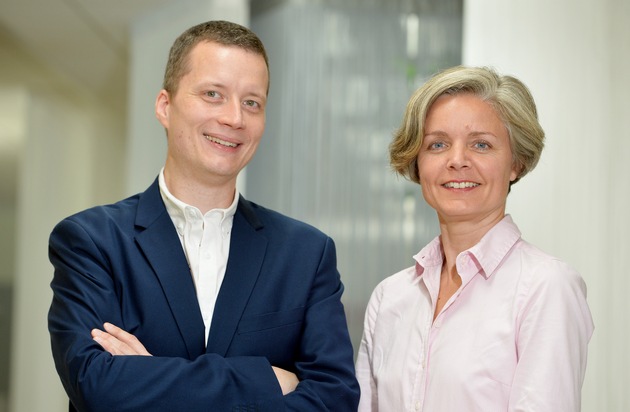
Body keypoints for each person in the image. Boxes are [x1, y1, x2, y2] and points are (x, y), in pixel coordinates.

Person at [48, 20, 359, 412]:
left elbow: (335, 398)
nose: (235, 118)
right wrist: (267, 379)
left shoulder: (306, 254)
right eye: (213, 94)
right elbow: (96, 385)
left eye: (252, 102)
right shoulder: (91, 241)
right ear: (165, 106)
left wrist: (148, 377)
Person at [355, 66, 594, 411]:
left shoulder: (547, 287)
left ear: (516, 162)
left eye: (481, 144)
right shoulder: (389, 298)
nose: (457, 161)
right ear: (417, 162)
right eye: (437, 144)